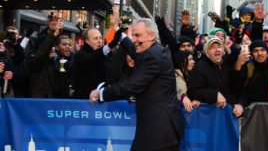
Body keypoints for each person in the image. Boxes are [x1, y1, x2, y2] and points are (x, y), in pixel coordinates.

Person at [90, 18, 185, 151]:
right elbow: (134, 50)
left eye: (138, 35)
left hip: (159, 131)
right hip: (160, 128)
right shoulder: (156, 50)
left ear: (152, 35)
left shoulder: (153, 55)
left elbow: (131, 86)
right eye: (133, 35)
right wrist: (119, 31)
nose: (134, 39)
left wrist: (101, 93)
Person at [187, 35, 247, 117]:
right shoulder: (200, 67)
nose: (217, 49)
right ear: (207, 51)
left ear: (223, 50)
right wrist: (214, 95)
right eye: (212, 47)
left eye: (219, 46)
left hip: (231, 115)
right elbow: (192, 91)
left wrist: (240, 104)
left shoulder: (230, 63)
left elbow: (240, 88)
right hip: (211, 117)